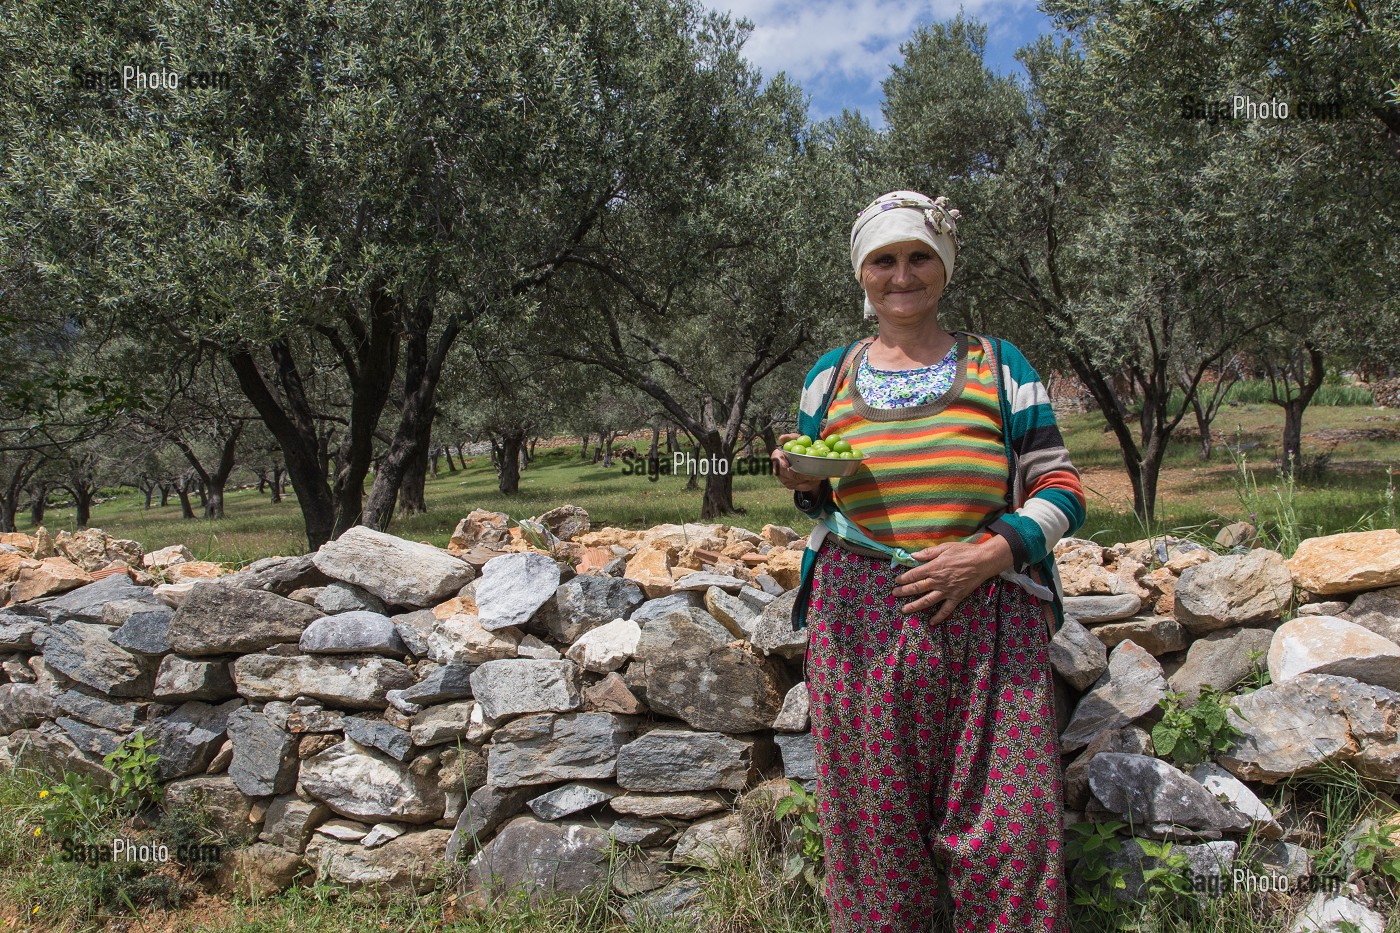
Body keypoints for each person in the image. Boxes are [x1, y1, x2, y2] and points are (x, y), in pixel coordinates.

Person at [769, 190, 1086, 933]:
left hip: (992, 619)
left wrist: (983, 556)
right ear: (861, 273)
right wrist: (805, 481)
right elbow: (823, 501)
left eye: (919, 257)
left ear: (943, 267)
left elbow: (1063, 488)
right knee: (875, 839)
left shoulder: (999, 365)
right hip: (858, 622)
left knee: (1008, 831)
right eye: (884, 259)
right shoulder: (831, 374)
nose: (902, 274)